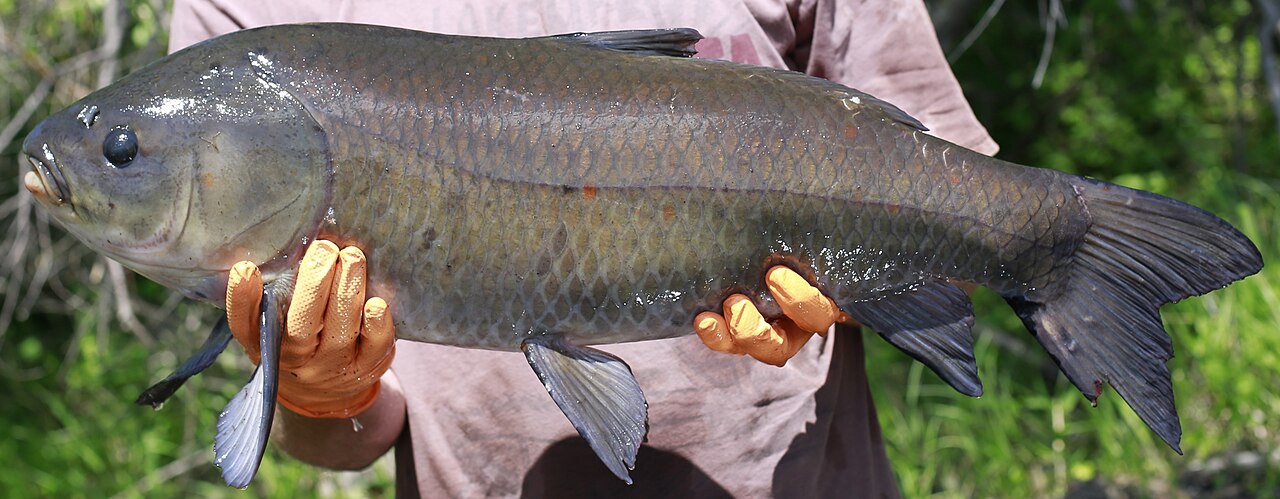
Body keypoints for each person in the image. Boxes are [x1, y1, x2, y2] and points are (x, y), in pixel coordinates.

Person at [170, 1, 999, 496]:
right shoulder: (242, 49)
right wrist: (322, 394)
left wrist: (848, 283)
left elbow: (968, 225)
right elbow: (341, 443)